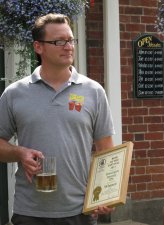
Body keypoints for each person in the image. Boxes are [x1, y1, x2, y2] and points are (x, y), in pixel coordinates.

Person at [0, 13, 115, 225]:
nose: (68, 46)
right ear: (38, 47)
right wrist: (19, 152)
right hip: (30, 212)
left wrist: (106, 194)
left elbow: (106, 149)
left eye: (70, 40)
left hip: (80, 211)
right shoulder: (14, 94)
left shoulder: (94, 91)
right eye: (59, 41)